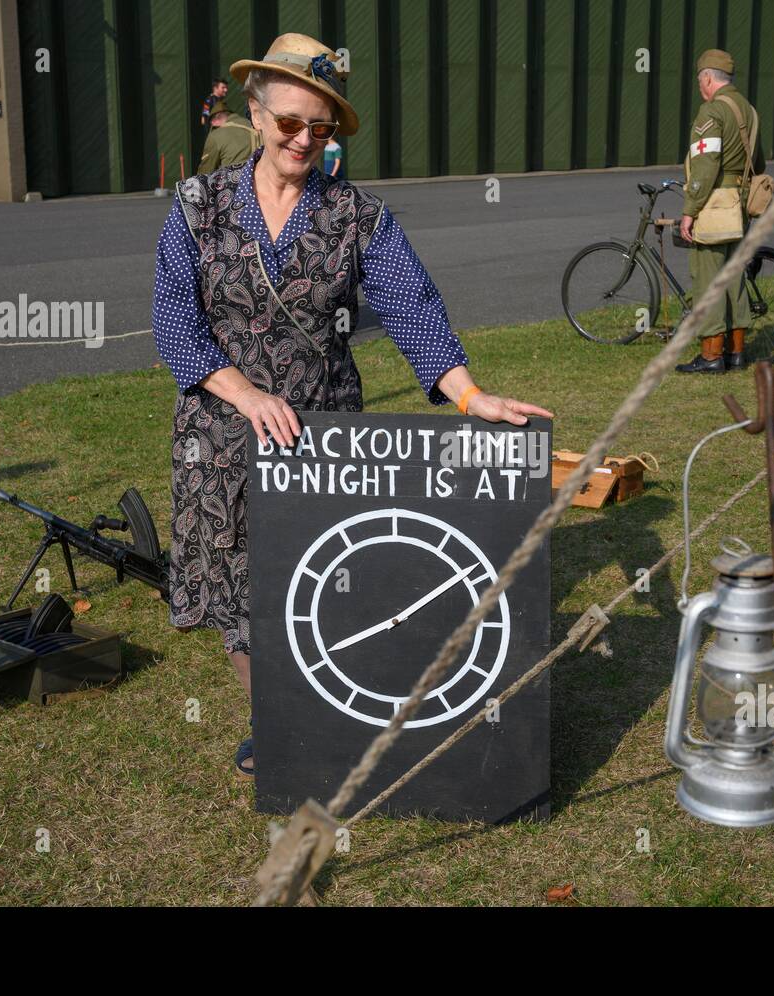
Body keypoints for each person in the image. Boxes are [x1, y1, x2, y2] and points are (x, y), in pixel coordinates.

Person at [152, 33, 553, 779]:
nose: (305, 140)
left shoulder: (359, 215)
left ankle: (333, 713)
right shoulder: (197, 206)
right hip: (221, 433)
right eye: (290, 123)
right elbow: (174, 318)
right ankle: (272, 722)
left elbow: (411, 305)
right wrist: (243, 392)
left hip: (324, 437)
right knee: (241, 590)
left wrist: (467, 394)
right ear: (255, 111)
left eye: (322, 128)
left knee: (324, 578)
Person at [675, 48, 766, 375]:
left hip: (714, 206)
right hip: (740, 208)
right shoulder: (749, 111)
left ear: (708, 78)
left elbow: (705, 165)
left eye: (701, 81)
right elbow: (760, 163)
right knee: (734, 279)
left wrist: (690, 209)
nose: (700, 87)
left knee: (708, 280)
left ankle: (712, 355)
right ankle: (737, 352)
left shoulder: (711, 112)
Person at [197, 102, 260, 173]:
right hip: (264, 179)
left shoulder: (216, 135)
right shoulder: (255, 125)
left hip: (235, 182)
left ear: (214, 120)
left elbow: (204, 172)